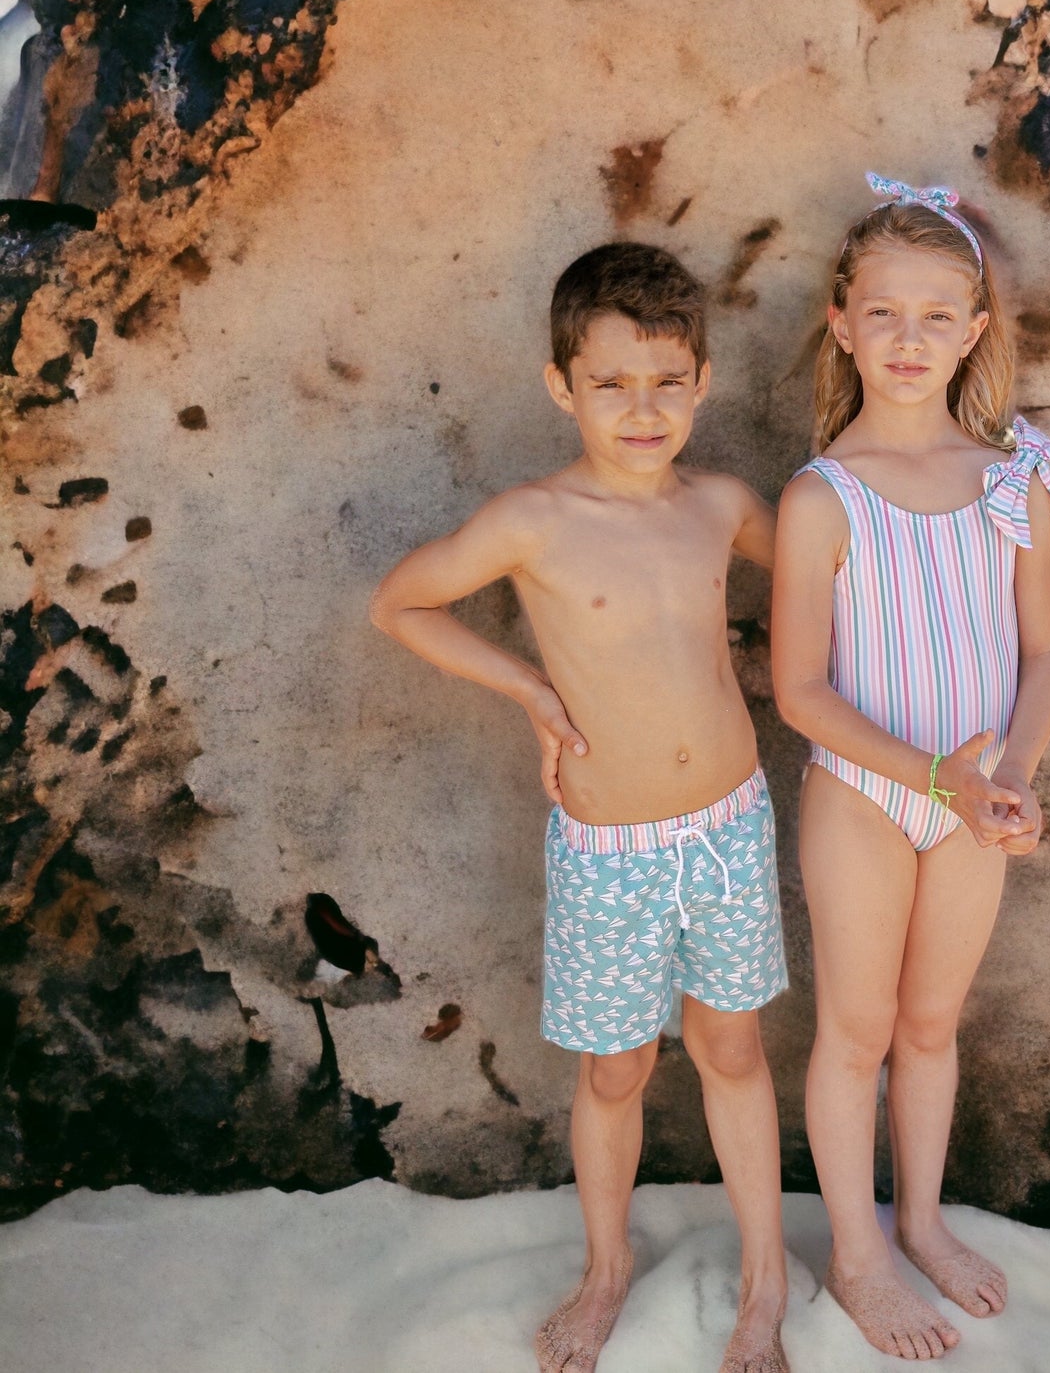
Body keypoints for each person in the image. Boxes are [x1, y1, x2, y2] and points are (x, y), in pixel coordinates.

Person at [369, 242, 790, 1373]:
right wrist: (528, 689)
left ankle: (764, 1285)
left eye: (665, 381)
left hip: (728, 825)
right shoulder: (532, 519)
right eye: (610, 383)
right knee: (615, 1067)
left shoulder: (720, 504)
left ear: (701, 381)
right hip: (608, 843)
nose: (640, 408)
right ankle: (605, 1267)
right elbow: (401, 600)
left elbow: (825, 560)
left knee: (732, 1047)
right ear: (562, 387)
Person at [770, 174, 1050, 1362]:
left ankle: (923, 1218)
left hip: (973, 796)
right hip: (860, 794)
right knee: (855, 1025)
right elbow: (799, 691)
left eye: (937, 315)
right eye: (883, 313)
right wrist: (933, 778)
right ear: (841, 323)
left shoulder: (1009, 479)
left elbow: (1045, 652)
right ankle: (854, 1254)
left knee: (931, 1020)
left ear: (974, 329)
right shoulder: (820, 495)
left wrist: (1007, 780)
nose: (909, 339)